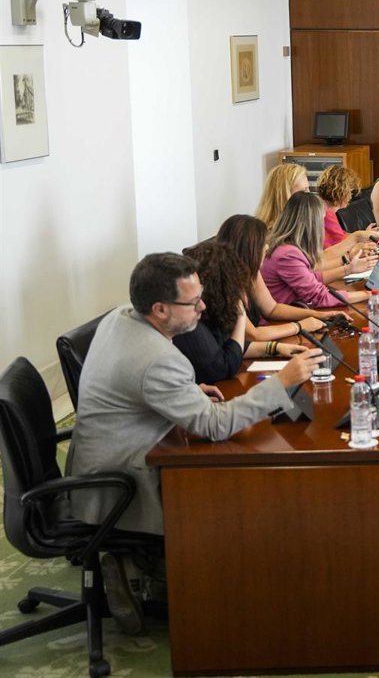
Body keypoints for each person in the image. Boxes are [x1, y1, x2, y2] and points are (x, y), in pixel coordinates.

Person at [66, 252, 324, 633]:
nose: (203, 307)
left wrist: (184, 393)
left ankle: (141, 562)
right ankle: (152, 568)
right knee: (228, 491)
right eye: (193, 302)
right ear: (159, 309)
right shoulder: (157, 359)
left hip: (97, 456)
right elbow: (215, 425)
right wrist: (282, 383)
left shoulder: (121, 317)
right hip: (119, 483)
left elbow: (135, 385)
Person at [173, 240, 309, 384]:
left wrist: (275, 348)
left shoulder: (211, 312)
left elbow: (230, 345)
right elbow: (225, 366)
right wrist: (240, 314)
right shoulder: (191, 325)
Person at [215, 214, 346, 343]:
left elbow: (272, 309)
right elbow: (253, 335)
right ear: (247, 249)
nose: (267, 247)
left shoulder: (251, 272)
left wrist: (316, 314)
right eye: (262, 244)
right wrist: (299, 326)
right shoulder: (224, 287)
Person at [261, 192, 379, 309]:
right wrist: (370, 295)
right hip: (280, 322)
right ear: (311, 224)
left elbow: (311, 277)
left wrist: (349, 269)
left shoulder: (287, 247)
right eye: (321, 222)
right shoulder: (287, 254)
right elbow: (320, 297)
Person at [315, 164, 379, 251]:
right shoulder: (327, 213)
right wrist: (364, 238)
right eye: (350, 190)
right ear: (340, 191)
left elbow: (342, 235)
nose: (351, 195)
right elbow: (343, 243)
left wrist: (365, 234)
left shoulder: (323, 209)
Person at [255, 163, 309, 231]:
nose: (309, 194)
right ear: (284, 195)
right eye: (304, 190)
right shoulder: (265, 233)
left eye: (308, 188)